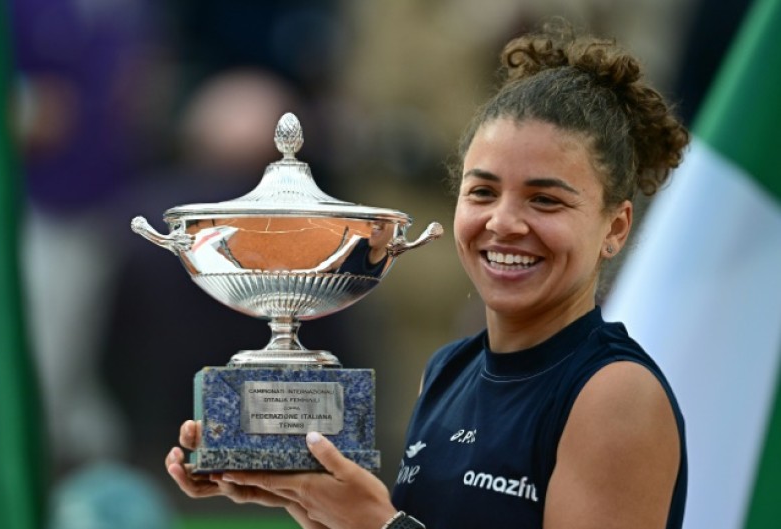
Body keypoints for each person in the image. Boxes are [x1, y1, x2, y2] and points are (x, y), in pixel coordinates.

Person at [163, 19, 689, 529]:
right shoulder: (447, 370)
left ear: (616, 227)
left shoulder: (615, 395)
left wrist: (379, 524)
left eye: (545, 200)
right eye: (482, 192)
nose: (503, 222)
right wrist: (305, 496)